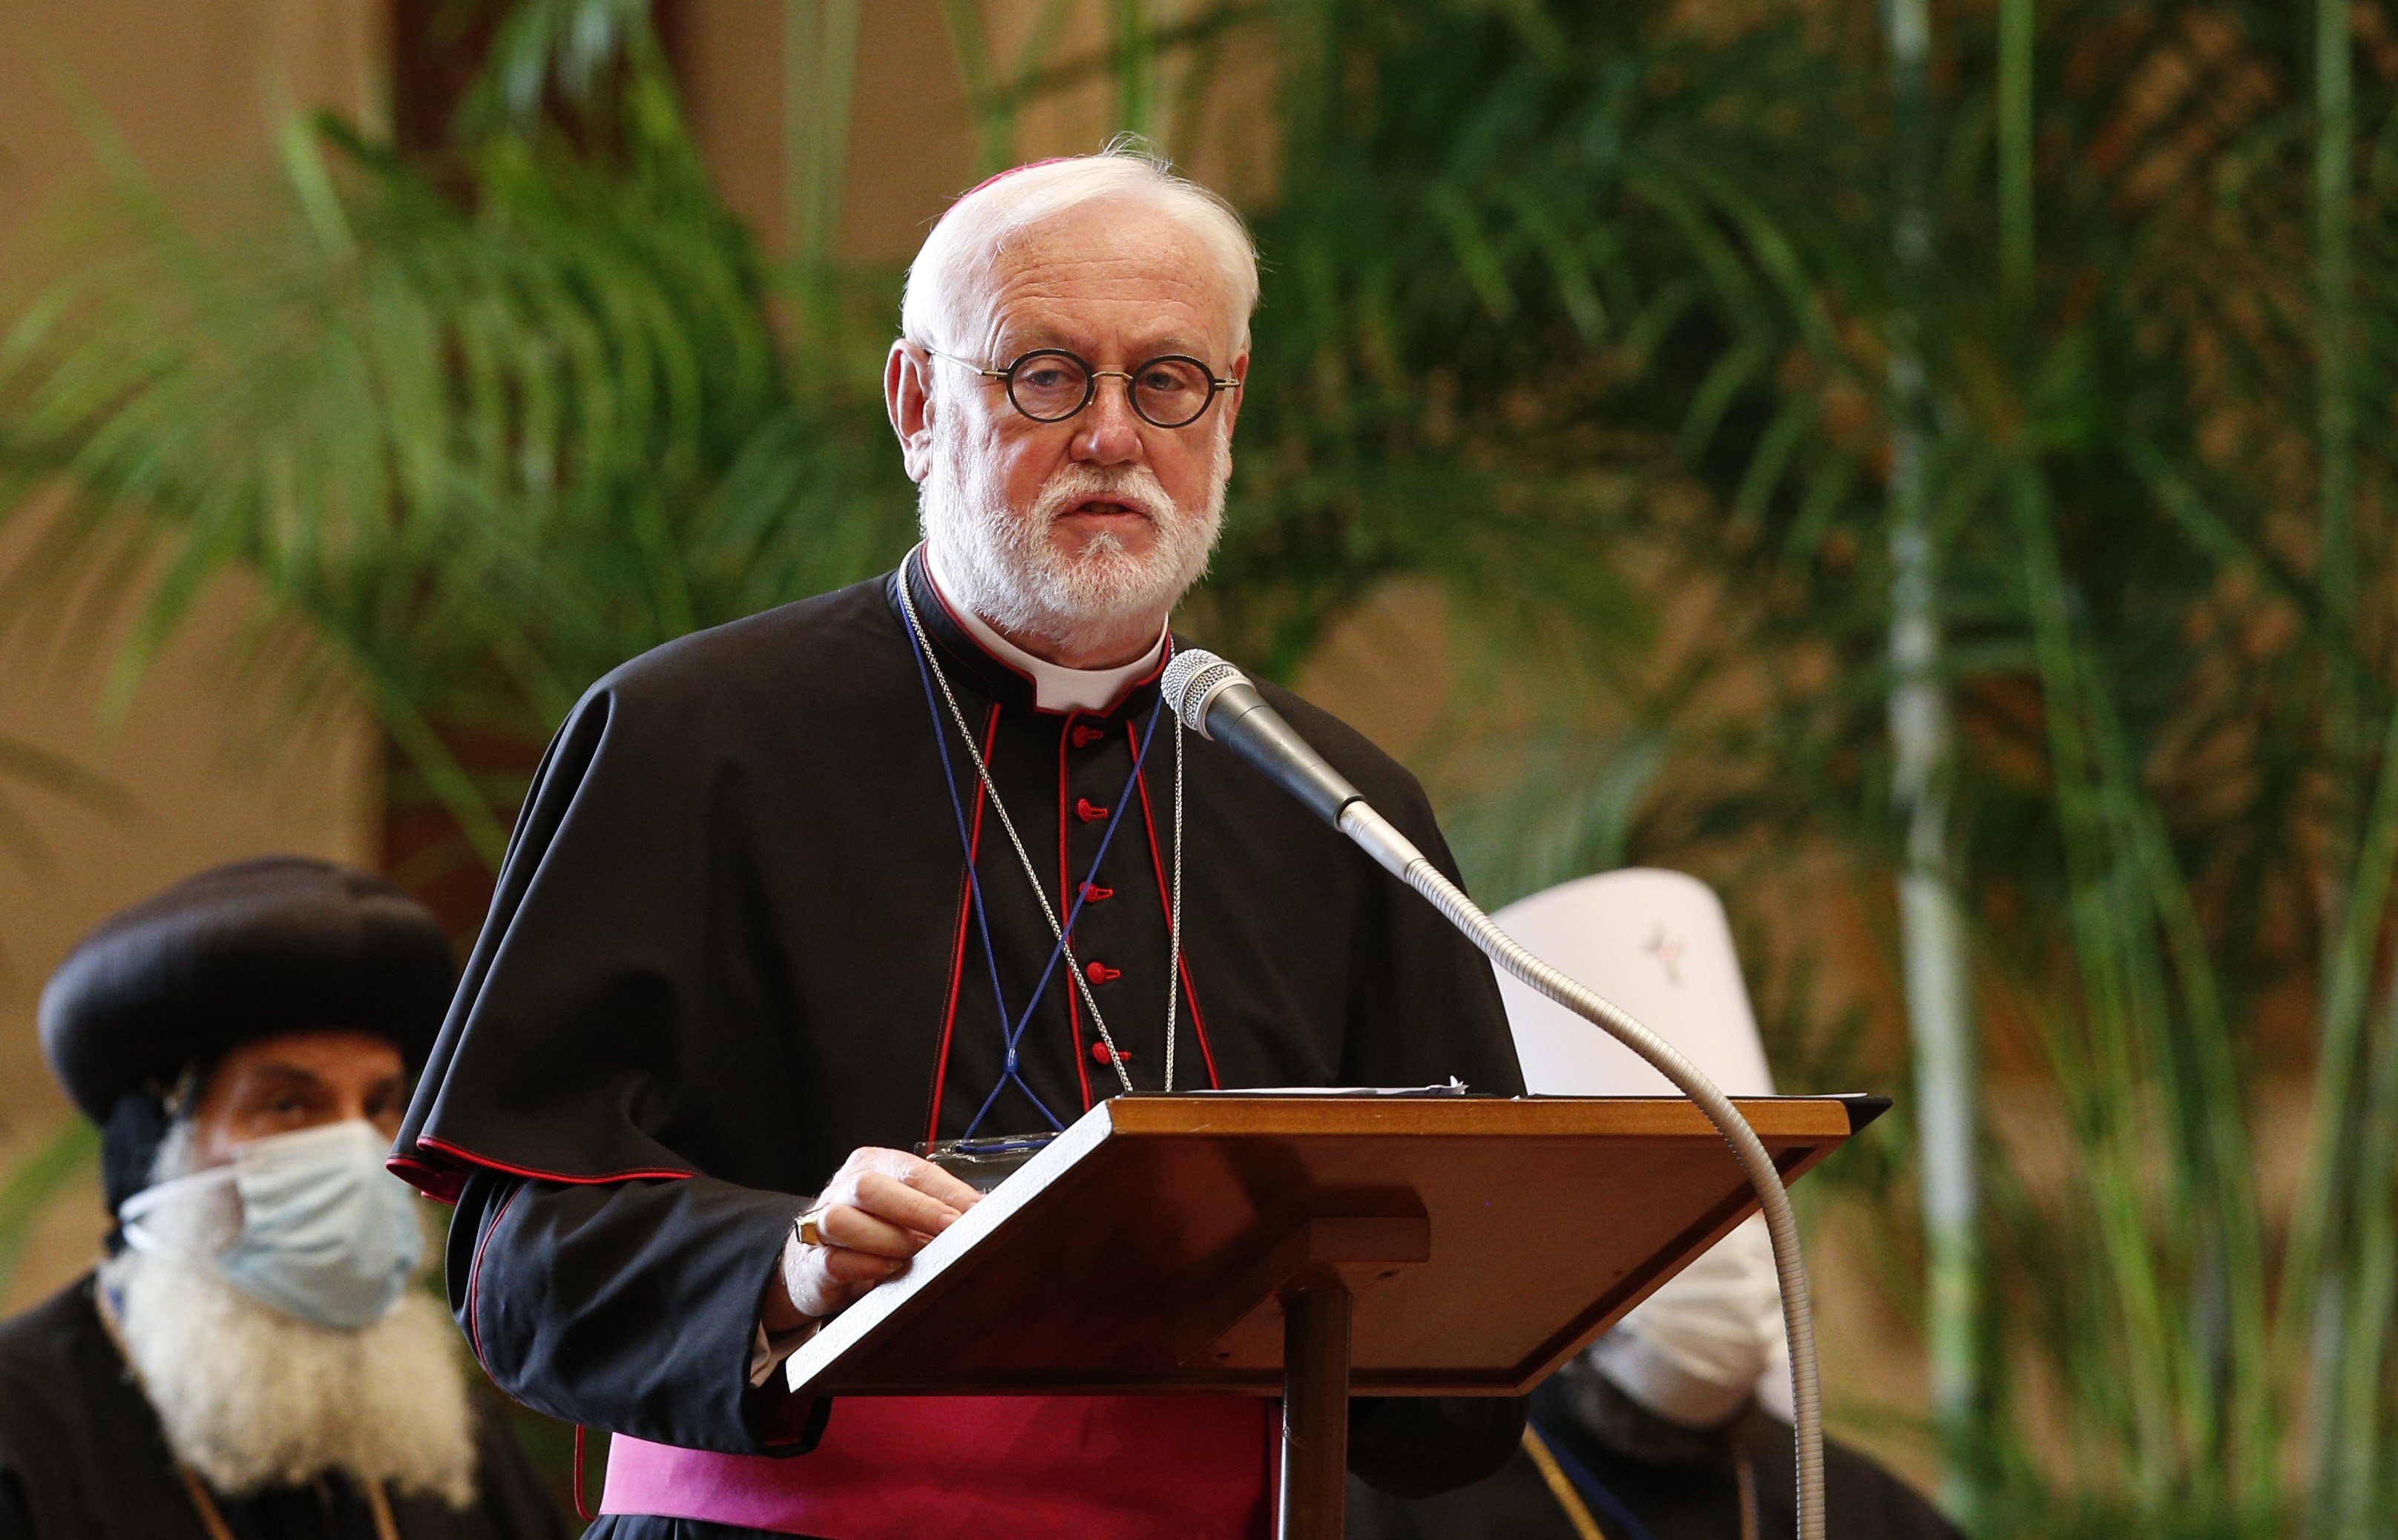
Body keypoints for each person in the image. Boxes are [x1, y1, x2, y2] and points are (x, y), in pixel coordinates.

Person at [388, 147, 1528, 1539]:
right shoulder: (689, 739)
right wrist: (790, 1258)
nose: (1112, 434)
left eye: (1167, 381)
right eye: (1046, 374)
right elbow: (519, 1260)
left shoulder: (1335, 801)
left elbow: (1458, 1357)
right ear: (919, 404)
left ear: (1228, 410)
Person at [1344, 870, 1960, 1540]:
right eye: (1669, 1205)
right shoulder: (1394, 1507)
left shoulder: (1875, 1517)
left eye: (1740, 1197)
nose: (1715, 1246)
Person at [0, 857, 570, 1540]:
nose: (358, 1148)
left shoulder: (446, 1431)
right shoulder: (19, 1426)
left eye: (382, 1105)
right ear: (156, 1151)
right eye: (289, 1104)